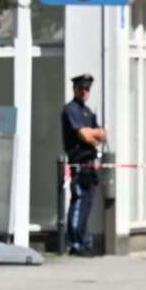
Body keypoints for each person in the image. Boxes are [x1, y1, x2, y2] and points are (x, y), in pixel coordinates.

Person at [61, 73, 106, 255]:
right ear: (75, 89)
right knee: (79, 202)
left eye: (87, 89)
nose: (85, 92)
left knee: (87, 204)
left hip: (90, 163)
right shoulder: (71, 110)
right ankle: (75, 243)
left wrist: (93, 133)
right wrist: (91, 133)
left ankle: (84, 240)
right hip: (79, 163)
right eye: (82, 88)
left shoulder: (88, 111)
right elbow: (85, 136)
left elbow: (101, 135)